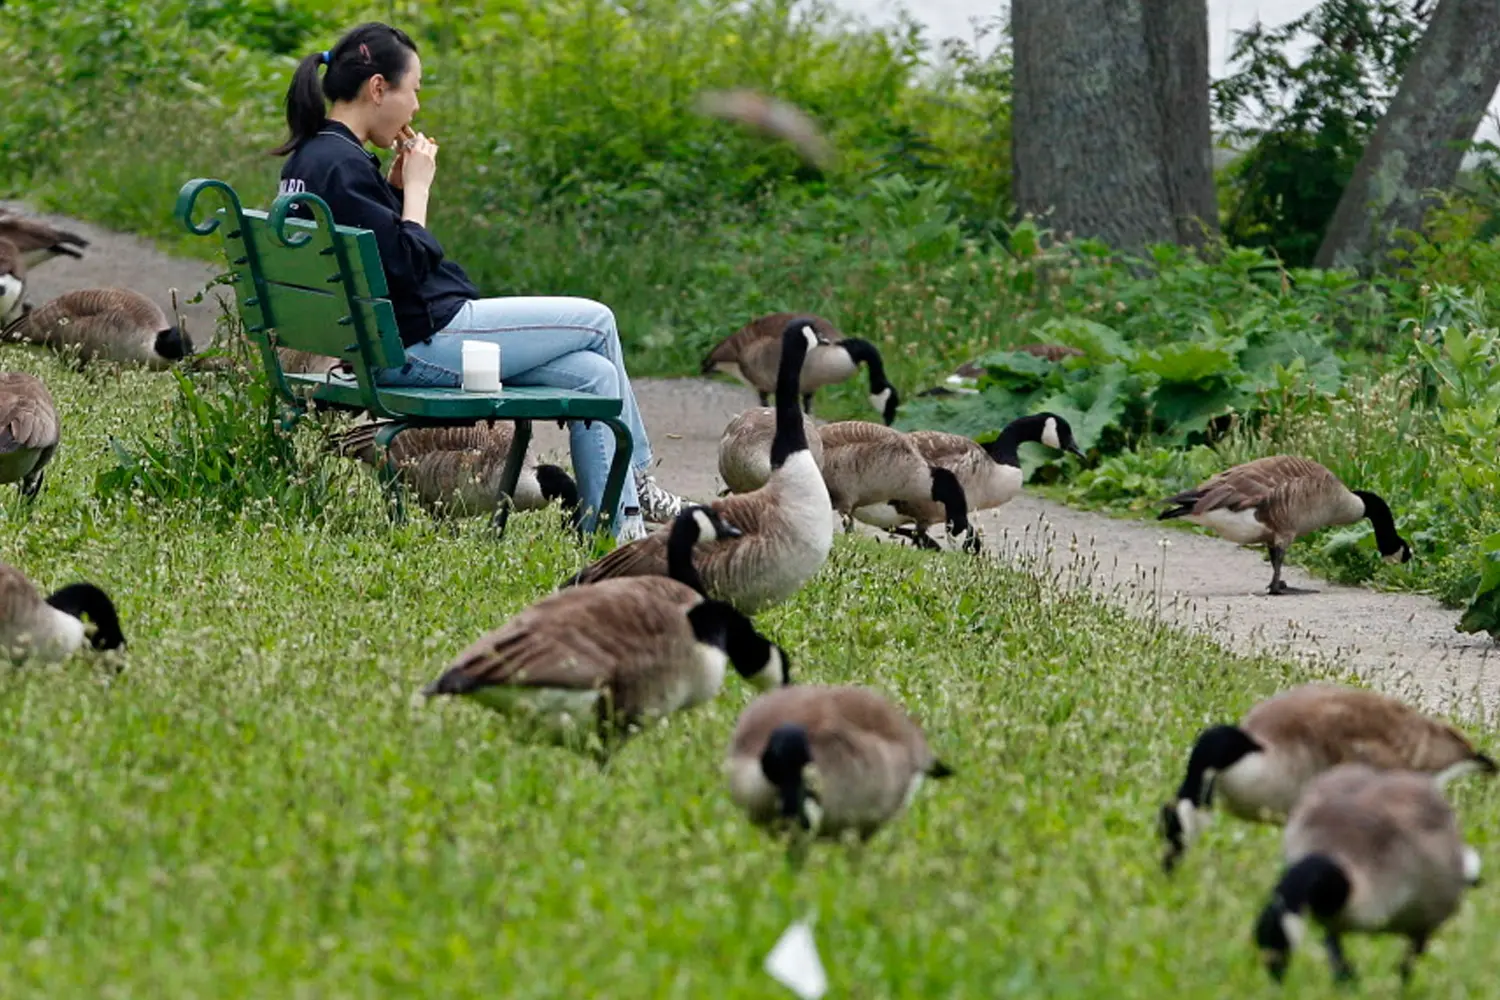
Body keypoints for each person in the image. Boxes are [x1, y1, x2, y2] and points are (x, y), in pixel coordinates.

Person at [270, 21, 688, 540]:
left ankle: (615, 538)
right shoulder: (343, 164)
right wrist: (418, 191)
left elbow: (377, 260)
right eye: (414, 90)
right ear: (379, 89)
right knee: (597, 320)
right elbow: (406, 265)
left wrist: (394, 192)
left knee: (594, 377)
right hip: (419, 344)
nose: (416, 108)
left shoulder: (315, 159)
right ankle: (640, 481)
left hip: (382, 340)